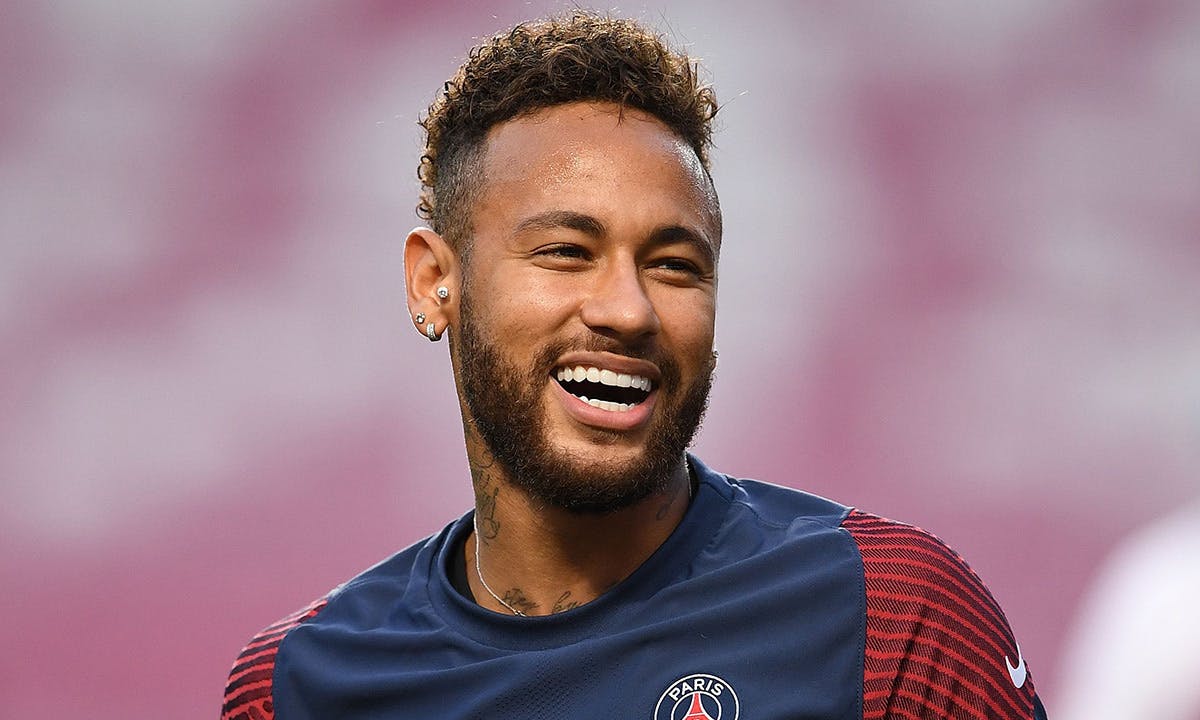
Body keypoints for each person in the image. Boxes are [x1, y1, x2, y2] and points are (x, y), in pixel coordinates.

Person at [222, 12, 1047, 719]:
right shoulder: (298, 684)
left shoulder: (892, 618)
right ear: (436, 282)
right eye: (566, 251)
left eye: (675, 265)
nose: (628, 309)